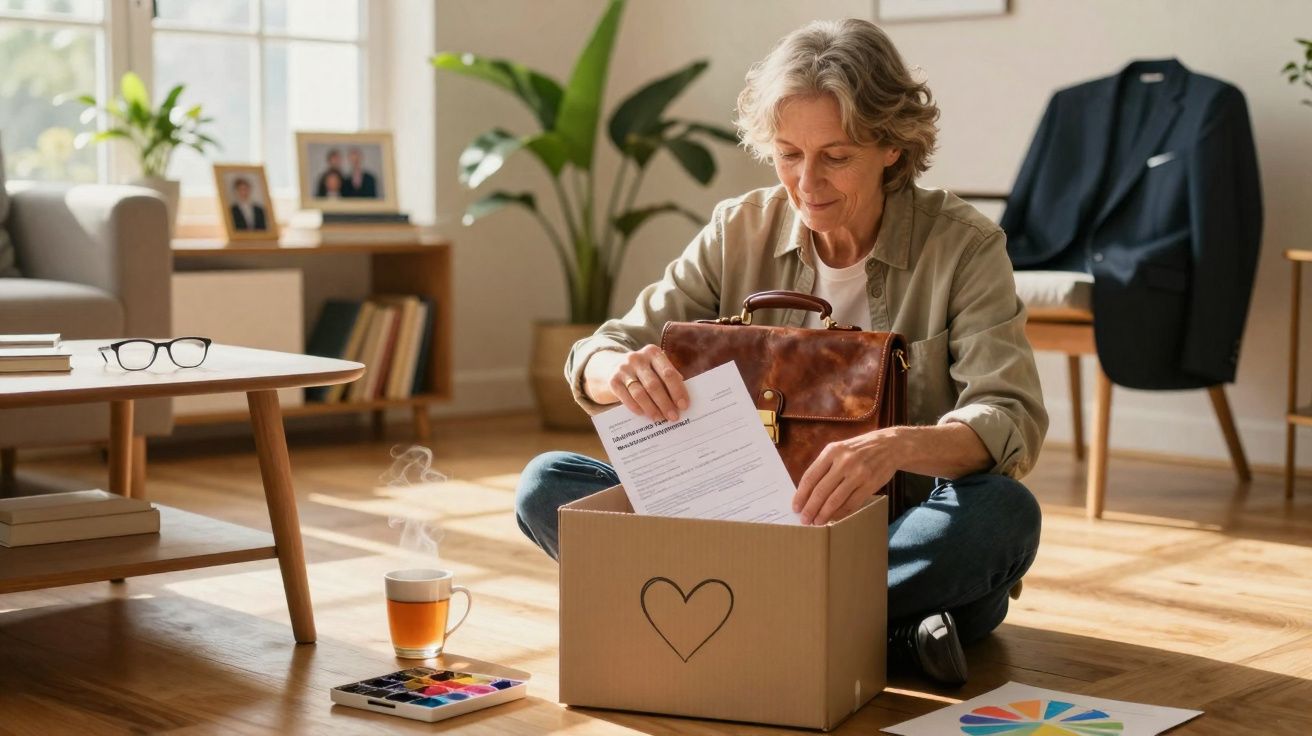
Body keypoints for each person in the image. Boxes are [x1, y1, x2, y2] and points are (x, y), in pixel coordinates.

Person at [514, 19, 1047, 687]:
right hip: (731, 526)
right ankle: (882, 634)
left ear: (890, 146)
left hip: (886, 534)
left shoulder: (965, 246)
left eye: (836, 155)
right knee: (545, 484)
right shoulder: (738, 229)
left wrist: (893, 447)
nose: (808, 182)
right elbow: (603, 349)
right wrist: (611, 370)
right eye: (789, 154)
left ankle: (744, 621)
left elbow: (1010, 415)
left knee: (1001, 516)